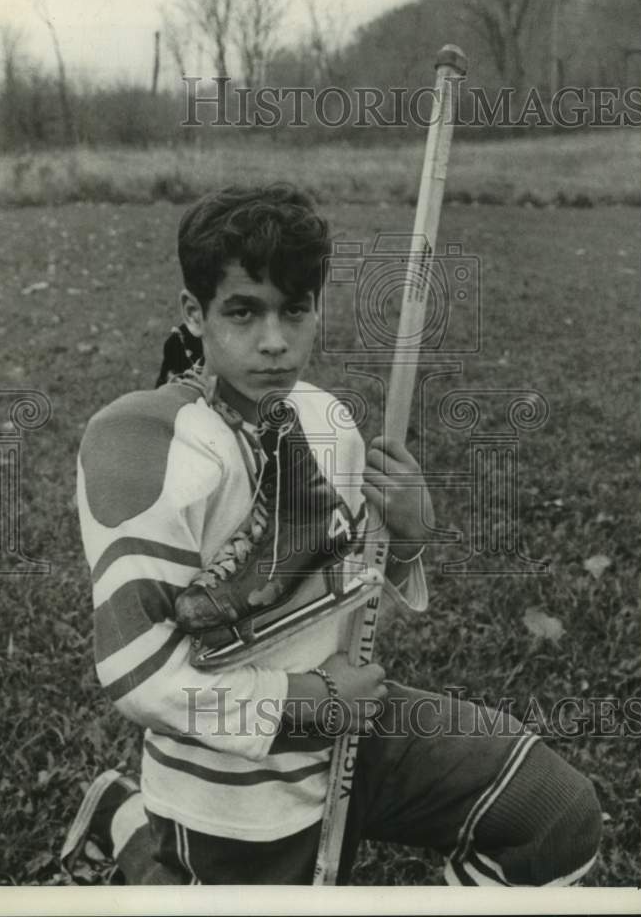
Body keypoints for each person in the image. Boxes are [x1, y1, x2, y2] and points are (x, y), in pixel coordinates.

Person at [63, 183, 603, 886]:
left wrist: (407, 538)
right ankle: (132, 824)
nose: (276, 341)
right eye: (243, 311)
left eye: (296, 308)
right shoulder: (143, 443)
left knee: (553, 818)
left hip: (356, 728)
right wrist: (308, 703)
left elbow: (347, 594)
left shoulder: (326, 419)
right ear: (194, 315)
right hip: (233, 778)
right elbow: (139, 672)